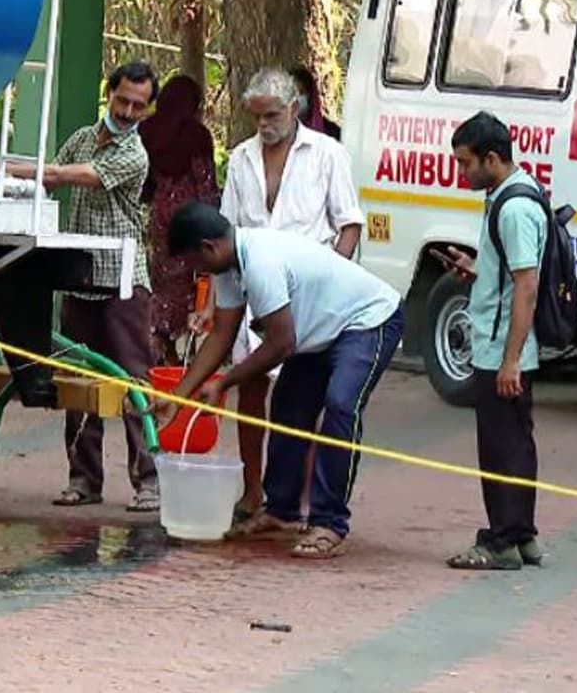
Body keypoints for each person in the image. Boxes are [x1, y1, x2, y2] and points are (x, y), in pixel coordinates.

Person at [0, 61, 163, 513]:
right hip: (80, 277)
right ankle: (84, 479)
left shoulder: (134, 154)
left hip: (122, 281)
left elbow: (68, 176)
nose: (127, 111)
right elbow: (50, 170)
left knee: (133, 382)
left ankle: (149, 481)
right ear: (109, 94)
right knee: (75, 382)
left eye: (138, 106)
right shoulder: (84, 137)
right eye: (122, 101)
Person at [156, 202, 404, 559]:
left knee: (341, 404)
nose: (198, 272)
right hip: (320, 331)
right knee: (289, 404)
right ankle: (282, 511)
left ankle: (330, 522)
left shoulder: (260, 262)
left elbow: (280, 344)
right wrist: (179, 395)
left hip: (369, 320)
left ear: (209, 247)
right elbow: (222, 335)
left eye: (196, 263)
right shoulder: (229, 265)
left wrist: (223, 383)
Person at [194, 67, 364, 523]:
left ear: (294, 108)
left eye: (271, 114)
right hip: (254, 292)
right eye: (257, 117)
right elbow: (224, 234)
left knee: (304, 399)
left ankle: (296, 495)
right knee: (251, 390)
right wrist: (210, 305)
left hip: (311, 300)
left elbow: (349, 223)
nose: (264, 125)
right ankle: (253, 492)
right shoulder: (242, 159)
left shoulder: (327, 153)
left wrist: (335, 281)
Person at [439, 112, 546, 571]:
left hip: (499, 349)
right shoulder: (507, 196)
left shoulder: (515, 207)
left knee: (500, 446)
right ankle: (521, 535)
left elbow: (526, 285)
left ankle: (501, 540)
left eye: (466, 164)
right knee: (515, 442)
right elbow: (508, 277)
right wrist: (477, 267)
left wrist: (509, 360)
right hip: (503, 344)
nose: (463, 173)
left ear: (492, 158)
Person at [138, 74, 220, 365]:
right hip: (191, 221)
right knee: (188, 286)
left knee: (161, 285)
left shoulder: (147, 130)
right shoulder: (196, 136)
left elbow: (143, 184)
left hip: (160, 218)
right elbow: (205, 183)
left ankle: (157, 340)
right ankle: (175, 348)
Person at [289, 65, 342, 141]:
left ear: (310, 95)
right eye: (291, 94)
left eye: (300, 93)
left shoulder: (331, 133)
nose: (294, 99)